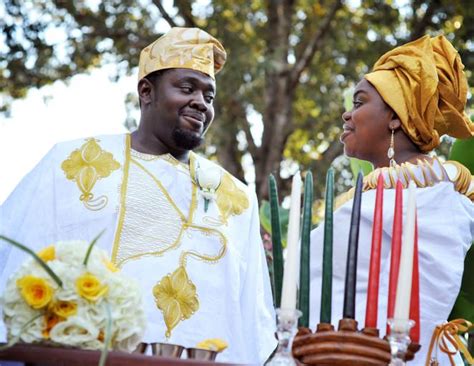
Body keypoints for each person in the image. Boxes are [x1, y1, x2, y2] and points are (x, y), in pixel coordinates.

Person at [0, 27, 277, 364]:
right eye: (187, 88)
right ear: (146, 92)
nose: (200, 103)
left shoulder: (236, 198)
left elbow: (253, 319)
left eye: (209, 96)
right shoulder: (72, 162)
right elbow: (15, 265)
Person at [309, 35, 473, 365]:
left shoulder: (442, 198)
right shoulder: (373, 196)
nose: (346, 115)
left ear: (396, 117)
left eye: (359, 103)